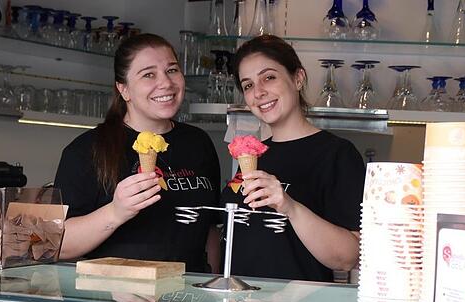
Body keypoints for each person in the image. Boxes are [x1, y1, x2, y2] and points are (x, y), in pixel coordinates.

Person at [53, 34, 221, 273]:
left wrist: (210, 288)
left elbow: (209, 230)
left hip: (189, 298)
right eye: (148, 74)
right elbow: (58, 244)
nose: (166, 83)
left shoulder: (198, 142)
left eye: (172, 70)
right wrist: (115, 212)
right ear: (124, 89)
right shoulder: (86, 150)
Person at [223, 35, 364, 282]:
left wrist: (289, 206)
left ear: (297, 78)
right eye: (248, 85)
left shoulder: (336, 154)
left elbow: (349, 257)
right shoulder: (253, 155)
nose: (259, 92)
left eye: (269, 77)